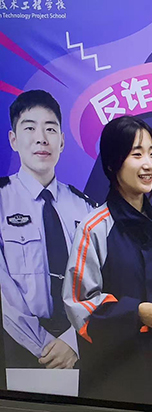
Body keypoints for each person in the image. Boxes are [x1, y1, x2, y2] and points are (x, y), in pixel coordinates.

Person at [62, 116, 152, 406]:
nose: (148, 164)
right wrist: (136, 313)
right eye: (137, 154)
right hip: (111, 378)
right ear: (113, 164)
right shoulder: (94, 227)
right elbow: (79, 304)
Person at [0, 90, 96, 369]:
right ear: (13, 140)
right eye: (30, 128)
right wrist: (43, 346)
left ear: (62, 141)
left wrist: (73, 342)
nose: (41, 138)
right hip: (15, 347)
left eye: (50, 129)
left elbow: (101, 281)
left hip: (79, 348)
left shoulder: (85, 207)